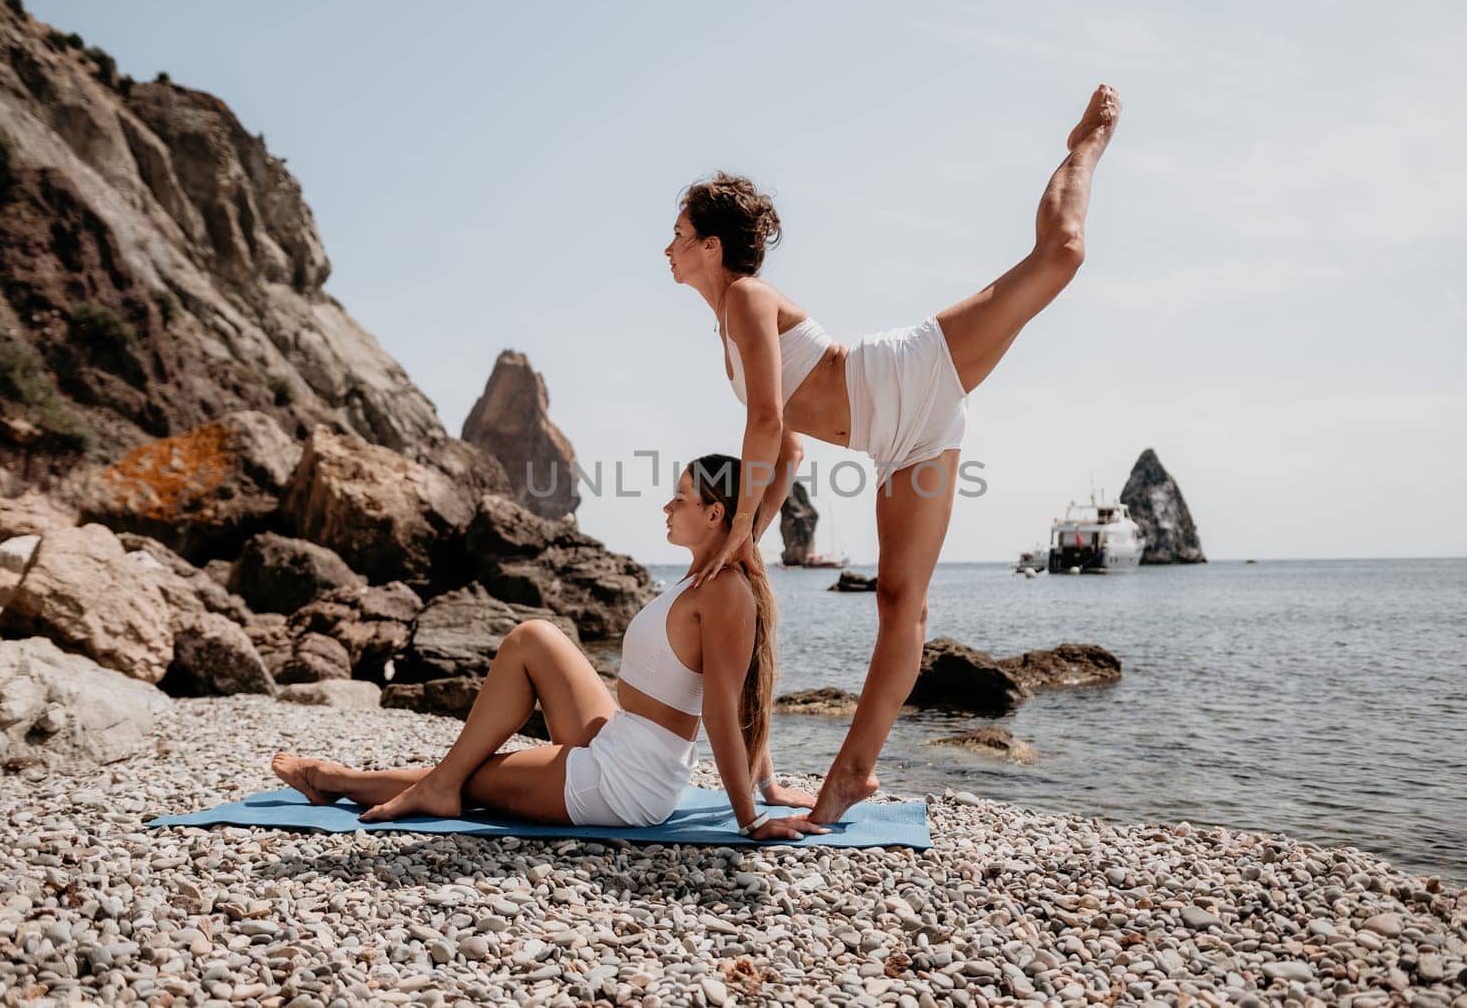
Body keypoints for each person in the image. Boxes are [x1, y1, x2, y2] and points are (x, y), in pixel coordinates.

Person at [664, 85, 1120, 822]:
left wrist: (742, 524)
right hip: (903, 441)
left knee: (1061, 254)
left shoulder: (746, 297)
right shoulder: (726, 333)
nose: (668, 246)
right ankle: (853, 773)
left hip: (913, 370)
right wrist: (753, 536)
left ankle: (1087, 144)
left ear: (711, 247)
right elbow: (787, 449)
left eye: (679, 233)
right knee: (899, 603)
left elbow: (767, 416)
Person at [271, 454, 829, 841]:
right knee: (533, 636)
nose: (666, 508)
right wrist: (769, 782)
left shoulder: (727, 590)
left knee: (474, 778)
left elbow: (728, 707)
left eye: (679, 499)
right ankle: (434, 782)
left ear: (713, 514)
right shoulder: (703, 577)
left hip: (627, 782)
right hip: (620, 737)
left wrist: (750, 816)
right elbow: (741, 697)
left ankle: (333, 778)